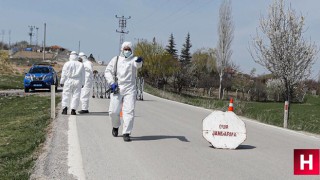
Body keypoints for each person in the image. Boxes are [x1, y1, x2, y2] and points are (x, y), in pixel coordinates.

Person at [104, 41, 143, 142]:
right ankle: (115, 126)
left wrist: (139, 61)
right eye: (125, 49)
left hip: (130, 88)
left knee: (128, 111)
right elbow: (108, 71)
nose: (127, 51)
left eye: (128, 49)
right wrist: (112, 82)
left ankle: (126, 132)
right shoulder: (116, 59)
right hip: (117, 87)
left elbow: (138, 65)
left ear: (131, 50)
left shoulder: (134, 60)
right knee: (113, 111)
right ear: (122, 49)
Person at [60, 51, 85, 115]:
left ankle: (65, 109)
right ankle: (73, 110)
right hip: (77, 81)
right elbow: (83, 75)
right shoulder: (81, 64)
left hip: (68, 80)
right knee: (76, 95)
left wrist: (62, 81)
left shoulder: (67, 64)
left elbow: (64, 74)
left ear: (70, 56)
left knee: (66, 94)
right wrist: (83, 83)